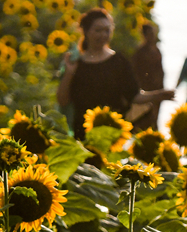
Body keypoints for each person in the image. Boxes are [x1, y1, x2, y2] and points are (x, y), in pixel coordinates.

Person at [57, 8, 173, 140]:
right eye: (98, 30)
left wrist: (158, 95)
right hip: (83, 135)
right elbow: (63, 101)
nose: (103, 35)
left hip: (114, 134)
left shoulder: (118, 61)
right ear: (86, 31)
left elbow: (133, 95)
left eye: (107, 30)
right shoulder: (75, 63)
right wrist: (69, 74)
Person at [130, 22, 165, 131]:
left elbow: (160, 69)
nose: (152, 36)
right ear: (144, 35)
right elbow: (135, 72)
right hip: (145, 89)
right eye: (149, 33)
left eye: (153, 33)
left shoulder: (157, 50)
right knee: (145, 116)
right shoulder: (140, 52)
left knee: (155, 117)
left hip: (157, 88)